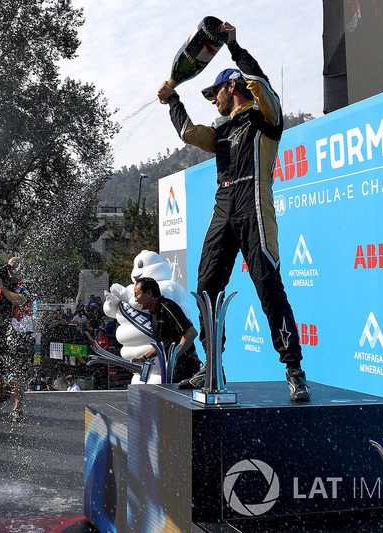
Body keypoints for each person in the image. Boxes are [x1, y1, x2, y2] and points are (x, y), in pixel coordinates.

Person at [157, 22, 311, 402]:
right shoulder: (221, 132)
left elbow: (261, 83)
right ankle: (213, 366)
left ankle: (294, 368)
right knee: (206, 287)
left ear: (233, 87)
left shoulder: (266, 120)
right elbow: (188, 132)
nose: (213, 101)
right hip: (223, 208)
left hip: (253, 208)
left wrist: (234, 46)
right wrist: (173, 99)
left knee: (268, 288)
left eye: (215, 93)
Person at [0, 256, 34, 422]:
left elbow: (17, 300)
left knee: (18, 368)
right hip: (1, 330)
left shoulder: (25, 284)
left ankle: (18, 406)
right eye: (8, 268)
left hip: (20, 330)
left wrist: (2, 286)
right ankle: (2, 394)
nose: (9, 271)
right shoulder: (1, 287)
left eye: (12, 268)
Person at [130, 277, 203, 383]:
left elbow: (191, 333)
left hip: (186, 365)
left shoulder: (168, 306)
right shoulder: (153, 312)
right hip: (174, 366)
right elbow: (161, 344)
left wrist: (174, 356)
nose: (136, 299)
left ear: (149, 293)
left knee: (178, 397)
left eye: (137, 294)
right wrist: (143, 358)